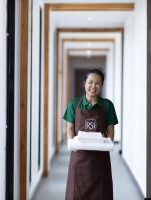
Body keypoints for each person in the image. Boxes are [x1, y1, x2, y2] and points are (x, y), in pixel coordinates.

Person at [63, 69, 118, 200]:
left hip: (100, 157)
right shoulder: (73, 104)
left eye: (97, 83)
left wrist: (107, 143)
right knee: (76, 193)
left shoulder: (107, 105)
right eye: (90, 82)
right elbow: (70, 128)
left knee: (101, 193)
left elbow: (110, 130)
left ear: (102, 85)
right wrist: (73, 144)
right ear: (84, 83)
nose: (93, 86)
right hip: (79, 157)